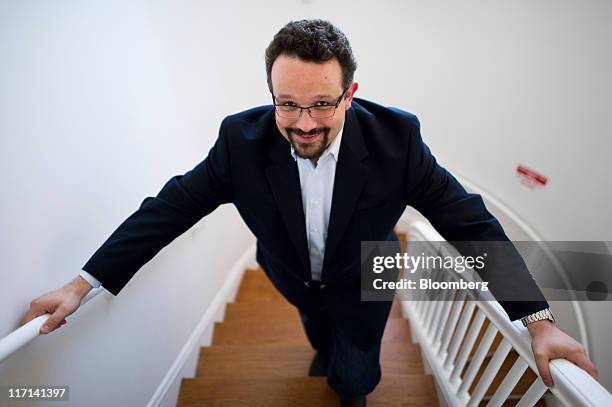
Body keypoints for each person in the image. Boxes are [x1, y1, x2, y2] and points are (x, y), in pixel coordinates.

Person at [20, 19, 597, 407]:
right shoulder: (239, 142)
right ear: (270, 92)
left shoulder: (398, 140)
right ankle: (326, 351)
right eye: (288, 103)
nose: (304, 122)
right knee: (318, 333)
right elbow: (168, 210)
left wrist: (538, 322)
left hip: (366, 277)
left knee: (357, 372)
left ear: (350, 94)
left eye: (323, 103)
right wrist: (80, 284)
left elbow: (469, 223)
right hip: (290, 272)